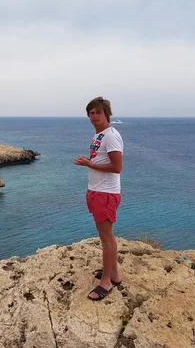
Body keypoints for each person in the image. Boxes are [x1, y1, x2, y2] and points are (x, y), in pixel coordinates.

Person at [74, 97, 123, 301]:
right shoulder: (100, 135)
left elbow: (117, 167)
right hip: (97, 191)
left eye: (97, 113)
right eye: (90, 113)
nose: (93, 117)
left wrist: (89, 164)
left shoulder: (111, 136)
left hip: (105, 193)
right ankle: (114, 274)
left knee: (106, 238)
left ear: (106, 114)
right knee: (106, 237)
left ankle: (106, 283)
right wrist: (90, 163)